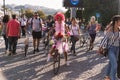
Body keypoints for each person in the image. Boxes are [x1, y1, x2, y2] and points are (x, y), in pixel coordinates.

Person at [98, 15, 120, 80]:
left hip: (117, 49)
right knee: (115, 65)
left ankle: (107, 76)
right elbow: (105, 39)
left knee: (111, 63)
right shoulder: (110, 29)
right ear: (116, 22)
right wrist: (100, 47)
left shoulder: (119, 29)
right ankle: (113, 78)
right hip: (111, 49)